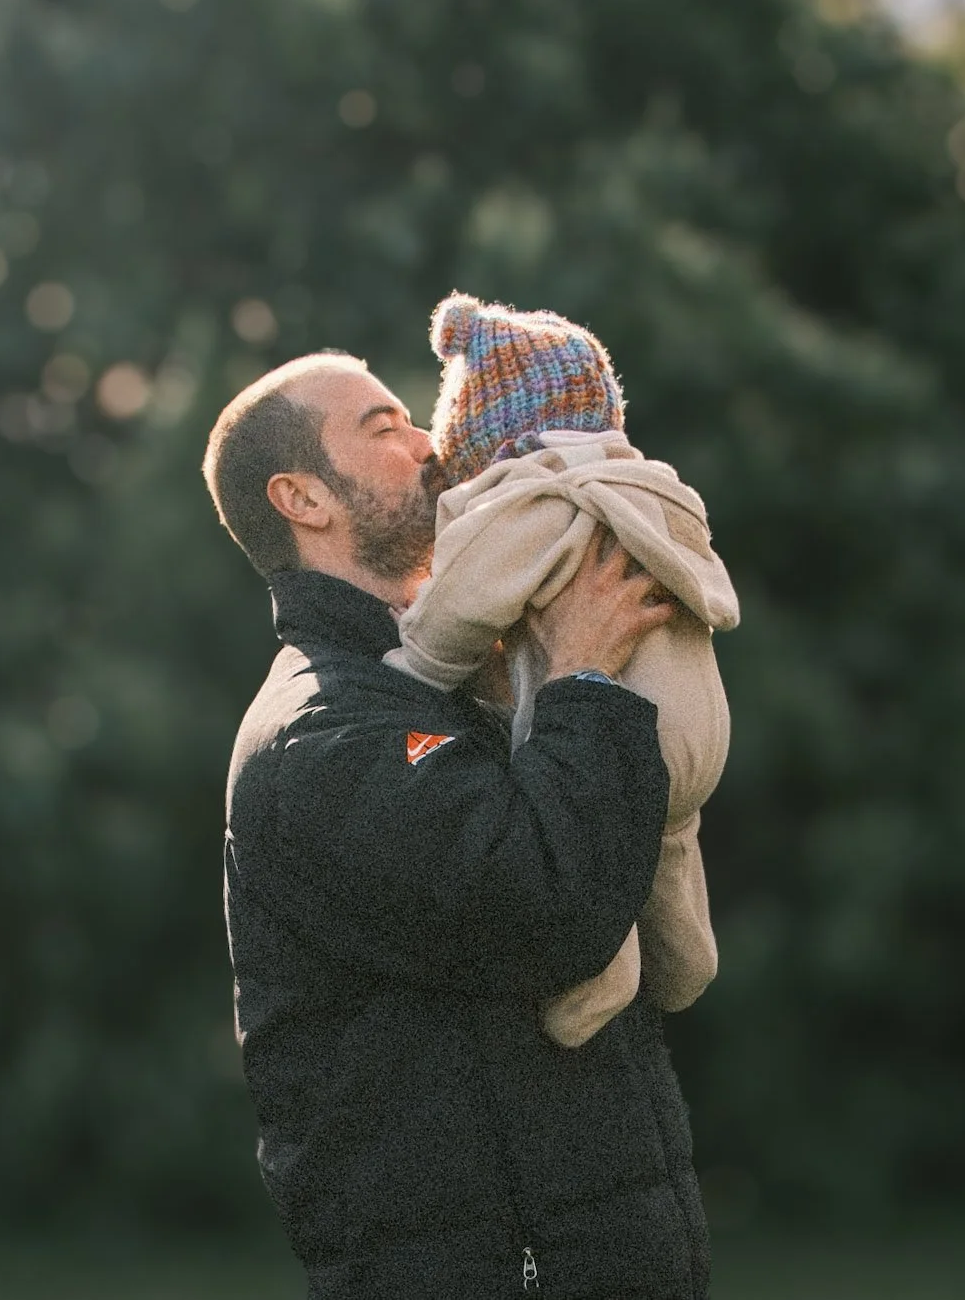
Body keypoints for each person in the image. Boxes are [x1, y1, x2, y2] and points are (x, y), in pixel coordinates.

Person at [203, 349, 712, 1298]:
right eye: (384, 428)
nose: (432, 443)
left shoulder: (474, 674)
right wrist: (586, 677)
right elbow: (551, 912)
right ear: (303, 497)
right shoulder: (323, 737)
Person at [388, 293, 738, 1049]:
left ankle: (596, 988)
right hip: (698, 725)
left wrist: (412, 658)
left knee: (592, 836)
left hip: (622, 737)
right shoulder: (648, 489)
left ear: (482, 449)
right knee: (667, 835)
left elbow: (460, 604)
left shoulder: (531, 501)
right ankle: (688, 961)